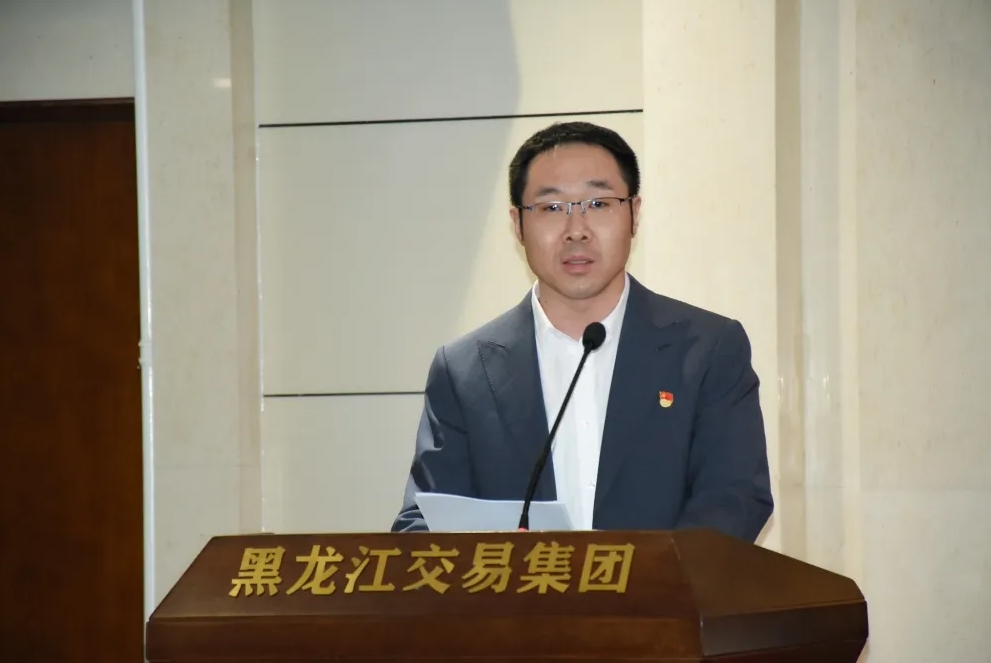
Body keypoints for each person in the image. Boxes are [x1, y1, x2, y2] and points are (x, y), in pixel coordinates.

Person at [391, 121, 773, 542]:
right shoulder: (464, 370)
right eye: (552, 208)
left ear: (635, 214)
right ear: (517, 224)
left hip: (665, 588)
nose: (576, 230)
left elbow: (735, 501)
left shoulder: (708, 350)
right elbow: (421, 523)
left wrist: (634, 577)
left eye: (599, 203)